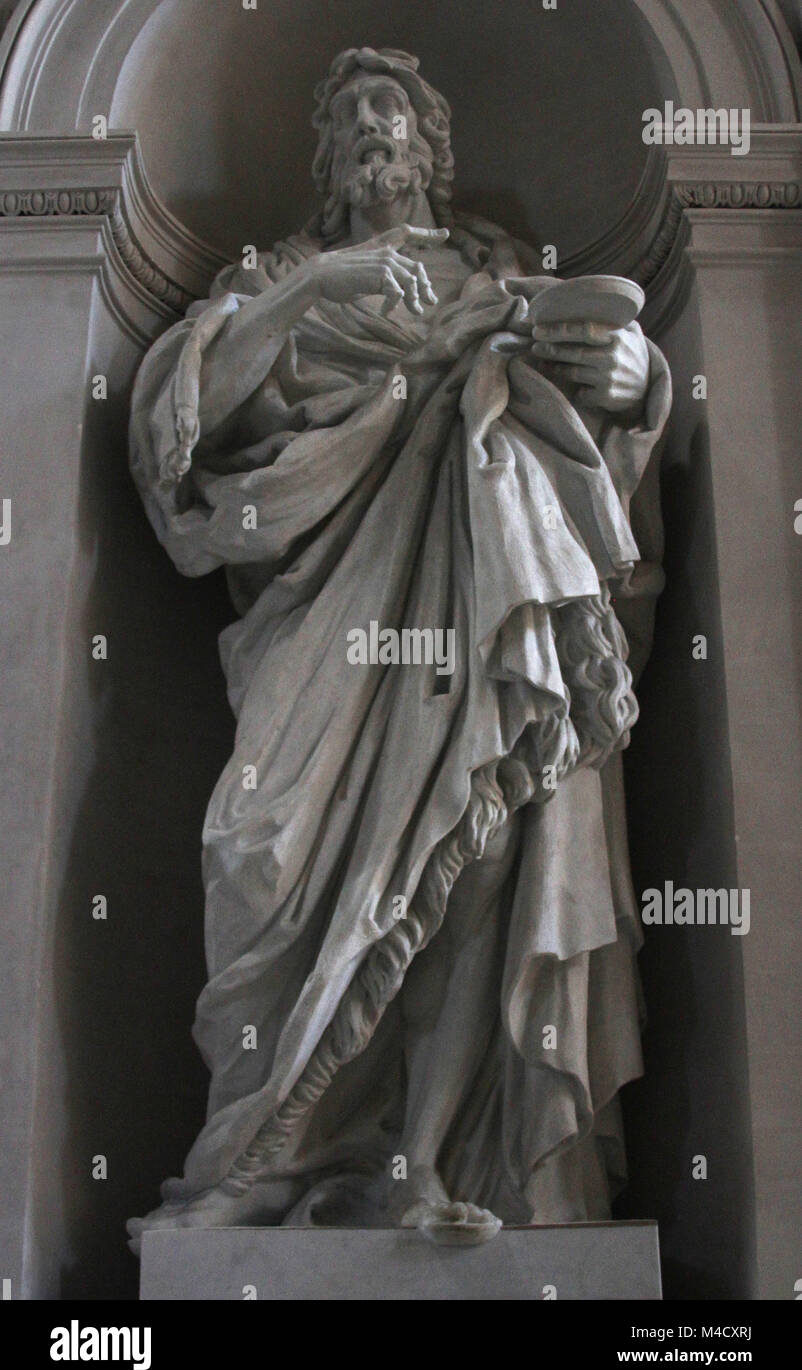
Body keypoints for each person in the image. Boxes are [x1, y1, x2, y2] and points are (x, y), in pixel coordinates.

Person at [128, 46, 671, 1250]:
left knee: (476, 844)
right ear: (329, 158)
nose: (372, 128)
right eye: (349, 116)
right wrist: (304, 299)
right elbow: (182, 423)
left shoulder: (498, 271)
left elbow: (593, 434)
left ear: (430, 145)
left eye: (392, 110)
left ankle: (424, 1164)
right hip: (322, 618)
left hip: (480, 599)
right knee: (264, 857)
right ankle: (271, 1158)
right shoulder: (279, 273)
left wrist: (640, 386)